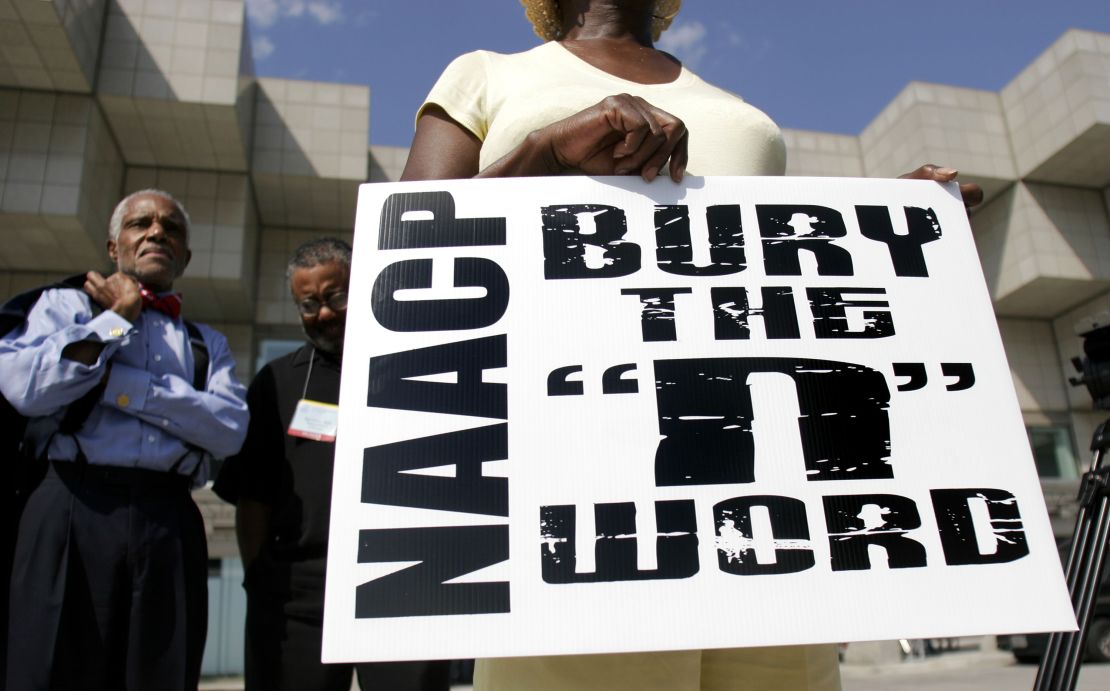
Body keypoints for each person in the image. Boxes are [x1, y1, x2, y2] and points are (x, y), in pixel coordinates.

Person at [401, 1, 984, 690]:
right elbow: (412, 256)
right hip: (581, 489)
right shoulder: (485, 74)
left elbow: (761, 273)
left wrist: (883, 227)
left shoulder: (732, 104)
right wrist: (546, 152)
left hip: (762, 500)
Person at [0, 189, 249, 691]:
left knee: (162, 671)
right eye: (141, 223)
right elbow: (29, 387)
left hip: (169, 517)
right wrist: (118, 319)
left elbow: (228, 428)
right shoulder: (62, 306)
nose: (157, 232)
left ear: (185, 256)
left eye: (171, 228)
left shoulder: (207, 343)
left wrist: (116, 386)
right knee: (50, 667)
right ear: (114, 247)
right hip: (69, 503)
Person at [213, 238, 450, 691]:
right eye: (308, 304)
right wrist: (260, 576)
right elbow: (252, 496)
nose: (323, 313)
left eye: (335, 296)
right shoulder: (277, 382)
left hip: (404, 584)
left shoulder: (422, 363)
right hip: (300, 595)